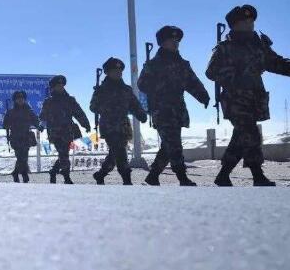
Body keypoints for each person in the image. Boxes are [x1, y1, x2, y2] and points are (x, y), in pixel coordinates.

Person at [206, 4, 290, 186]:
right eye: (245, 20)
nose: (250, 23)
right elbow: (211, 71)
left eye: (251, 20)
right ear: (235, 24)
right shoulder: (225, 48)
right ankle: (257, 176)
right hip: (235, 99)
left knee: (241, 136)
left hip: (254, 97)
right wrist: (236, 76)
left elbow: (276, 62)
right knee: (250, 133)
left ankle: (223, 176)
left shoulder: (258, 46)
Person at [138, 26, 210, 186]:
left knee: (168, 145)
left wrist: (203, 95)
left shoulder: (182, 64)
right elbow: (142, 84)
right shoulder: (153, 64)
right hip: (161, 110)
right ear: (162, 43)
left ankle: (153, 175)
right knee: (174, 144)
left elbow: (192, 82)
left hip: (177, 110)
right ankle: (182, 177)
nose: (175, 43)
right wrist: (160, 85)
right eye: (171, 40)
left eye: (177, 41)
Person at [90, 57, 147, 185]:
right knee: (120, 151)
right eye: (115, 70)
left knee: (114, 154)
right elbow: (93, 106)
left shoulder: (126, 89)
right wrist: (107, 108)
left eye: (120, 70)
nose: (118, 72)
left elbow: (134, 104)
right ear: (108, 72)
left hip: (123, 126)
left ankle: (100, 174)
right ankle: (127, 180)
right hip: (109, 126)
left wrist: (141, 114)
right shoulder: (102, 90)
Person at [40, 75, 91, 184]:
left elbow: (79, 113)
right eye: (58, 86)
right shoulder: (48, 102)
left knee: (64, 154)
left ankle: (53, 171)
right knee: (63, 154)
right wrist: (42, 122)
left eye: (61, 86)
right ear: (52, 88)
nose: (60, 88)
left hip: (67, 131)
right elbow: (42, 116)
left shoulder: (70, 100)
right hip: (55, 132)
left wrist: (85, 124)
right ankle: (67, 177)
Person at [3, 90, 41, 183]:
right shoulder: (10, 112)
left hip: (26, 137)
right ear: (15, 100)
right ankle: (24, 174)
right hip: (15, 137)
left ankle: (16, 172)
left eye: (22, 98)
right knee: (20, 157)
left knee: (24, 157)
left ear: (24, 100)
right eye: (18, 99)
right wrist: (7, 121)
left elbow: (36, 121)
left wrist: (39, 126)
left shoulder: (29, 110)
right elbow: (4, 125)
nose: (20, 100)